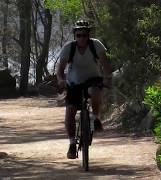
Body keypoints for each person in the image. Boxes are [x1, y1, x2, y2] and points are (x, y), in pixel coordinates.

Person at [56, 20, 113, 159]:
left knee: (95, 91)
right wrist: (61, 80)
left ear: (88, 35)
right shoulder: (69, 48)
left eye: (84, 35)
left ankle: (96, 118)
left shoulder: (96, 45)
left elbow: (105, 63)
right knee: (70, 113)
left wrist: (108, 77)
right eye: (78, 35)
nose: (82, 38)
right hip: (74, 83)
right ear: (75, 36)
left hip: (92, 79)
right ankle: (71, 143)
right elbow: (60, 69)